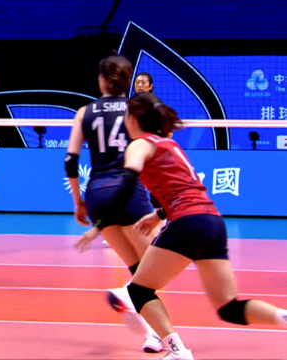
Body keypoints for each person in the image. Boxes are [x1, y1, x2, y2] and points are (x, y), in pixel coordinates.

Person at [113, 91, 287, 359]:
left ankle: (178, 352)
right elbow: (185, 189)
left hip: (188, 222)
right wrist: (159, 215)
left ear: (133, 119)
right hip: (212, 222)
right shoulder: (169, 144)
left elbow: (129, 179)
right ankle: (283, 317)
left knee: (138, 290)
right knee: (228, 308)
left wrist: (101, 221)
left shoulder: (139, 144)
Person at [65, 56, 162, 353]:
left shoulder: (85, 112)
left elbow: (70, 160)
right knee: (156, 268)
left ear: (102, 81)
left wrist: (78, 201)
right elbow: (155, 151)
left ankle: (155, 334)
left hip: (97, 195)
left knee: (138, 268)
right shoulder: (138, 109)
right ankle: (126, 295)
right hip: (130, 192)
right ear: (128, 80)